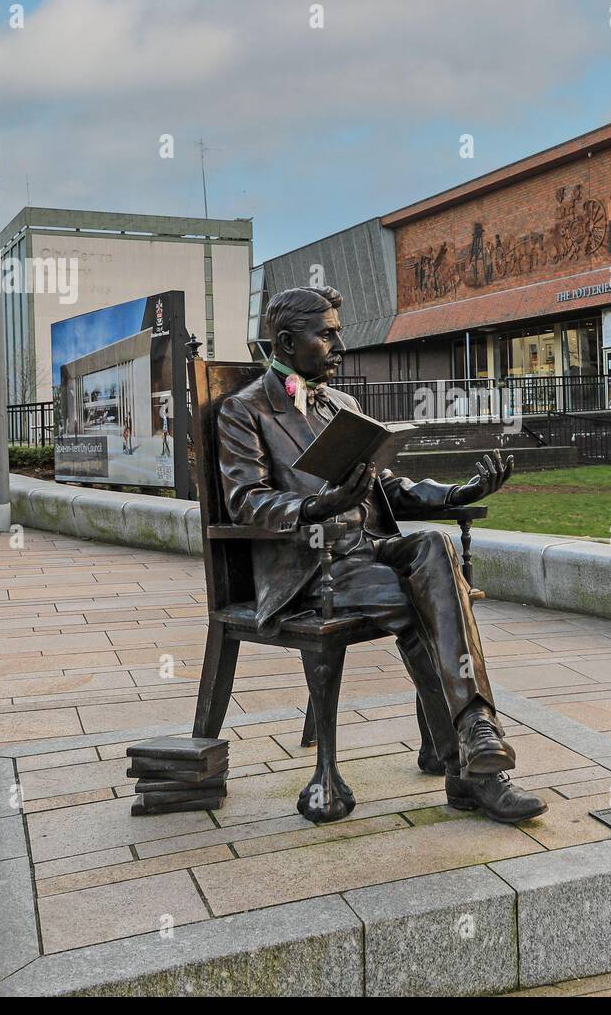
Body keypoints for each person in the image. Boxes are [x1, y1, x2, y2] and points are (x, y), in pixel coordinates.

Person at [216, 285, 546, 823]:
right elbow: (245, 501)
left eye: (338, 332)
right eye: (327, 334)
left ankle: (473, 743)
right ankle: (472, 758)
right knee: (423, 599)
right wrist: (322, 505)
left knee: (434, 547)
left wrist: (456, 494)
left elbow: (388, 485)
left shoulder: (343, 405)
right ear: (284, 341)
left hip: (368, 552)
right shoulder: (244, 411)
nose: (339, 344)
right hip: (311, 567)